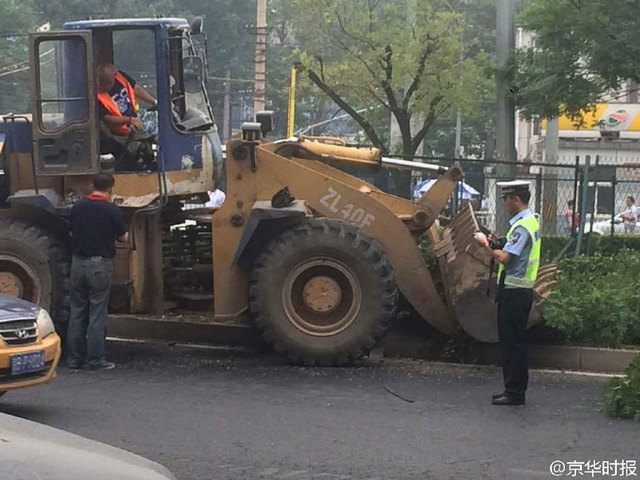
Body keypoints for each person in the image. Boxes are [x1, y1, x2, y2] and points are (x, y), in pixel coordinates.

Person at [473, 181, 541, 406]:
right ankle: (512, 389)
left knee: (513, 343)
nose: (504, 203)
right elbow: (512, 249)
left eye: (506, 199)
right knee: (513, 342)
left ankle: (514, 392)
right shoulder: (527, 222)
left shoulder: (523, 226)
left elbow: (505, 258)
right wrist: (498, 241)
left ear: (516, 199)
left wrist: (485, 244)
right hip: (517, 290)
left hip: (515, 291)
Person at [67, 173, 129, 370]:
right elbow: (123, 237)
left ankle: (74, 359)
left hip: (78, 264)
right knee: (97, 313)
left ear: (92, 186)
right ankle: (95, 360)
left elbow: (71, 232)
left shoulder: (77, 207)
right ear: (110, 188)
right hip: (99, 266)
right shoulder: (111, 210)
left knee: (77, 312)